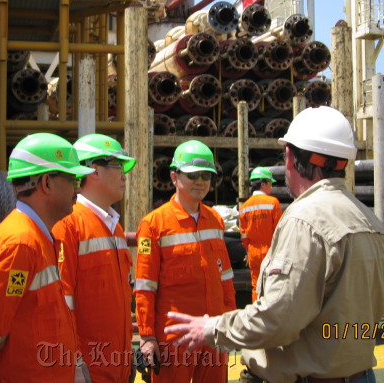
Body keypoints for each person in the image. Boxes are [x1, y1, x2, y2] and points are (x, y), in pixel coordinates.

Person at [164, 106, 384, 383]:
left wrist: (213, 327)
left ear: (290, 156)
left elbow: (279, 320)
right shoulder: (369, 220)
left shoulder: (305, 220)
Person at [0, 132, 95, 383]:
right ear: (46, 183)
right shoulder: (21, 245)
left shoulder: (37, 239)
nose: (78, 190)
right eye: (73, 179)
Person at [134, 139, 236, 383]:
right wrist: (148, 337)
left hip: (213, 332)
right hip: (174, 337)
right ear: (173, 177)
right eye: (192, 175)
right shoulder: (154, 225)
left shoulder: (215, 220)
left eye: (205, 175)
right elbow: (145, 286)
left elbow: (225, 279)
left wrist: (231, 323)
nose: (200, 181)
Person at [52, 133, 137, 383]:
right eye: (117, 166)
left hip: (116, 366)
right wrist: (75, 364)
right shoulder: (68, 225)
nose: (124, 175)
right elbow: (62, 307)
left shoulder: (114, 227)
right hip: (88, 369)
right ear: (92, 171)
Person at [238, 166, 282, 302]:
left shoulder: (244, 207)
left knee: (256, 286)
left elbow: (244, 236)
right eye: (270, 183)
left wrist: (249, 251)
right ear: (263, 184)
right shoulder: (273, 203)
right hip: (272, 252)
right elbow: (280, 230)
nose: (271, 187)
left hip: (254, 253)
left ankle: (256, 317)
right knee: (273, 285)